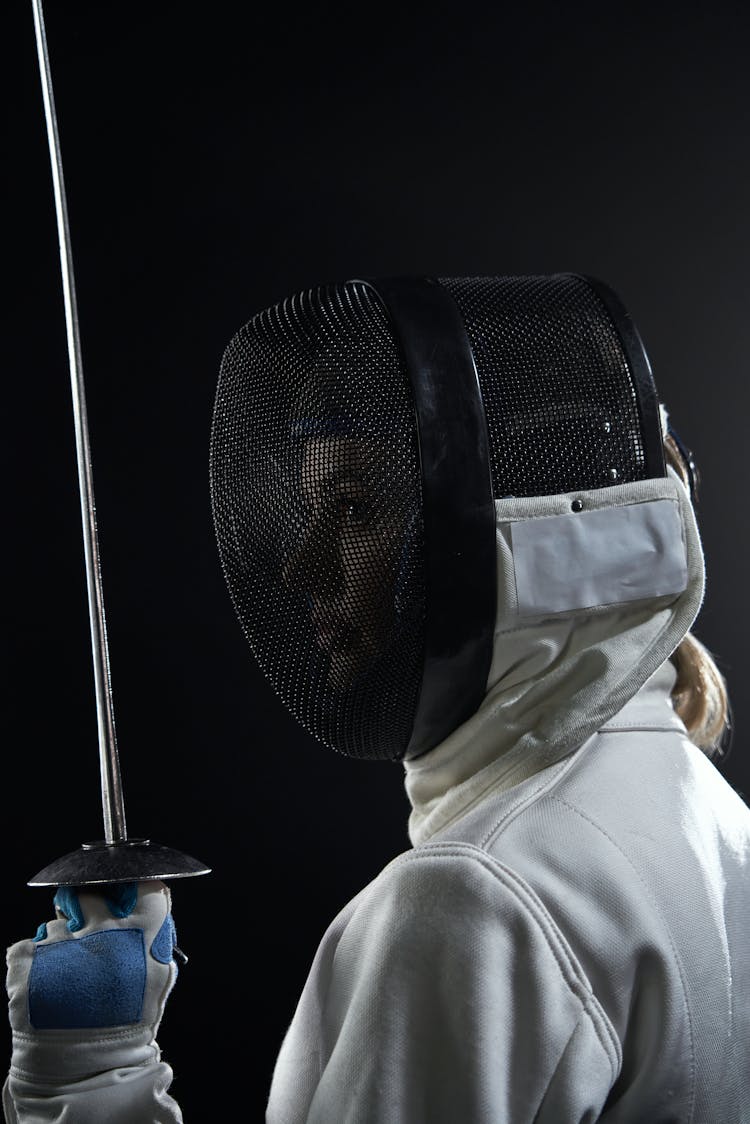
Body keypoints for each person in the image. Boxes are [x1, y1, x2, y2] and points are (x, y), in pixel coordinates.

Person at [5, 274, 749, 1122]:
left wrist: (90, 1081)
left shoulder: (473, 902)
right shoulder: (714, 820)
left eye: (355, 511)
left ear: (521, 535)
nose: (302, 568)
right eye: (314, 507)